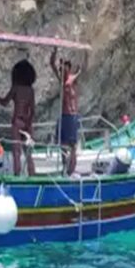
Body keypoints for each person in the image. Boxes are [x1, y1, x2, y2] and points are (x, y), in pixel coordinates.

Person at [0, 60, 36, 176]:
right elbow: (33, 110)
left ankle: (17, 176)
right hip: (27, 122)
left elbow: (4, 102)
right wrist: (29, 123)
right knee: (29, 153)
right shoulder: (30, 90)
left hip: (17, 121)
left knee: (16, 152)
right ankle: (32, 175)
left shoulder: (16, 88)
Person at [50, 48, 81, 176]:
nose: (62, 71)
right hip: (64, 116)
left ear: (69, 69)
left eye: (65, 69)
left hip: (71, 116)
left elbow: (79, 70)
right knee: (62, 143)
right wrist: (55, 50)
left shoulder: (71, 80)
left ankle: (71, 170)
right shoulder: (62, 80)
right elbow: (52, 63)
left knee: (72, 145)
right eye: (61, 69)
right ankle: (64, 167)